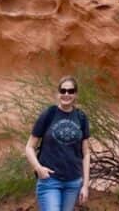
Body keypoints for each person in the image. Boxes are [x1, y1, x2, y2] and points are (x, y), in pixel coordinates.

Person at [25, 75, 90, 210]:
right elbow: (29, 147)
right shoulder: (49, 114)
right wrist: (38, 168)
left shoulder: (81, 117)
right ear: (58, 93)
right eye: (63, 91)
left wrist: (85, 185)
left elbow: (86, 153)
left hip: (73, 182)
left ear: (76, 94)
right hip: (49, 181)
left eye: (70, 91)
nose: (66, 94)